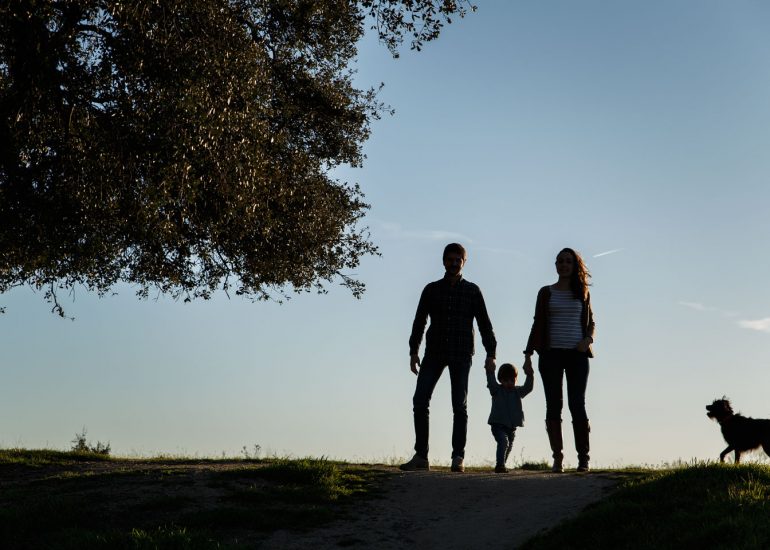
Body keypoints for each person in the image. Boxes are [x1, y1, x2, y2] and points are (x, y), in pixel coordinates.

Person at [401, 243, 497, 473]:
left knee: (459, 406)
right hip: (434, 351)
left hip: (461, 353)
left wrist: (491, 353)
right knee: (420, 400)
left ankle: (458, 456)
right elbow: (419, 321)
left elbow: (484, 324)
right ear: (443, 261)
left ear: (464, 262)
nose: (454, 263)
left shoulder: (472, 291)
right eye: (450, 259)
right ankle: (421, 456)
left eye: (458, 260)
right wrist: (414, 350)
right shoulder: (431, 290)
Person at [523, 248, 595, 473]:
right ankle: (558, 458)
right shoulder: (546, 292)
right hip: (550, 354)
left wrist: (588, 340)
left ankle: (583, 458)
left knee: (577, 404)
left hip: (577, 355)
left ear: (575, 266)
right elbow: (537, 323)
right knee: (554, 404)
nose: (564, 265)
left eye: (568, 262)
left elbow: (591, 322)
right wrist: (528, 354)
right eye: (560, 261)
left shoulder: (582, 292)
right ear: (555, 265)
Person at [485, 362, 534, 473]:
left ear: (516, 379)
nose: (509, 383)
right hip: (498, 425)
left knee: (508, 446)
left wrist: (530, 375)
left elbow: (528, 387)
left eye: (512, 380)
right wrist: (490, 371)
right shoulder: (496, 390)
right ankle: (500, 465)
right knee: (503, 441)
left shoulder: (517, 391)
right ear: (501, 380)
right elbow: (491, 381)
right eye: (506, 380)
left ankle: (502, 463)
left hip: (511, 428)